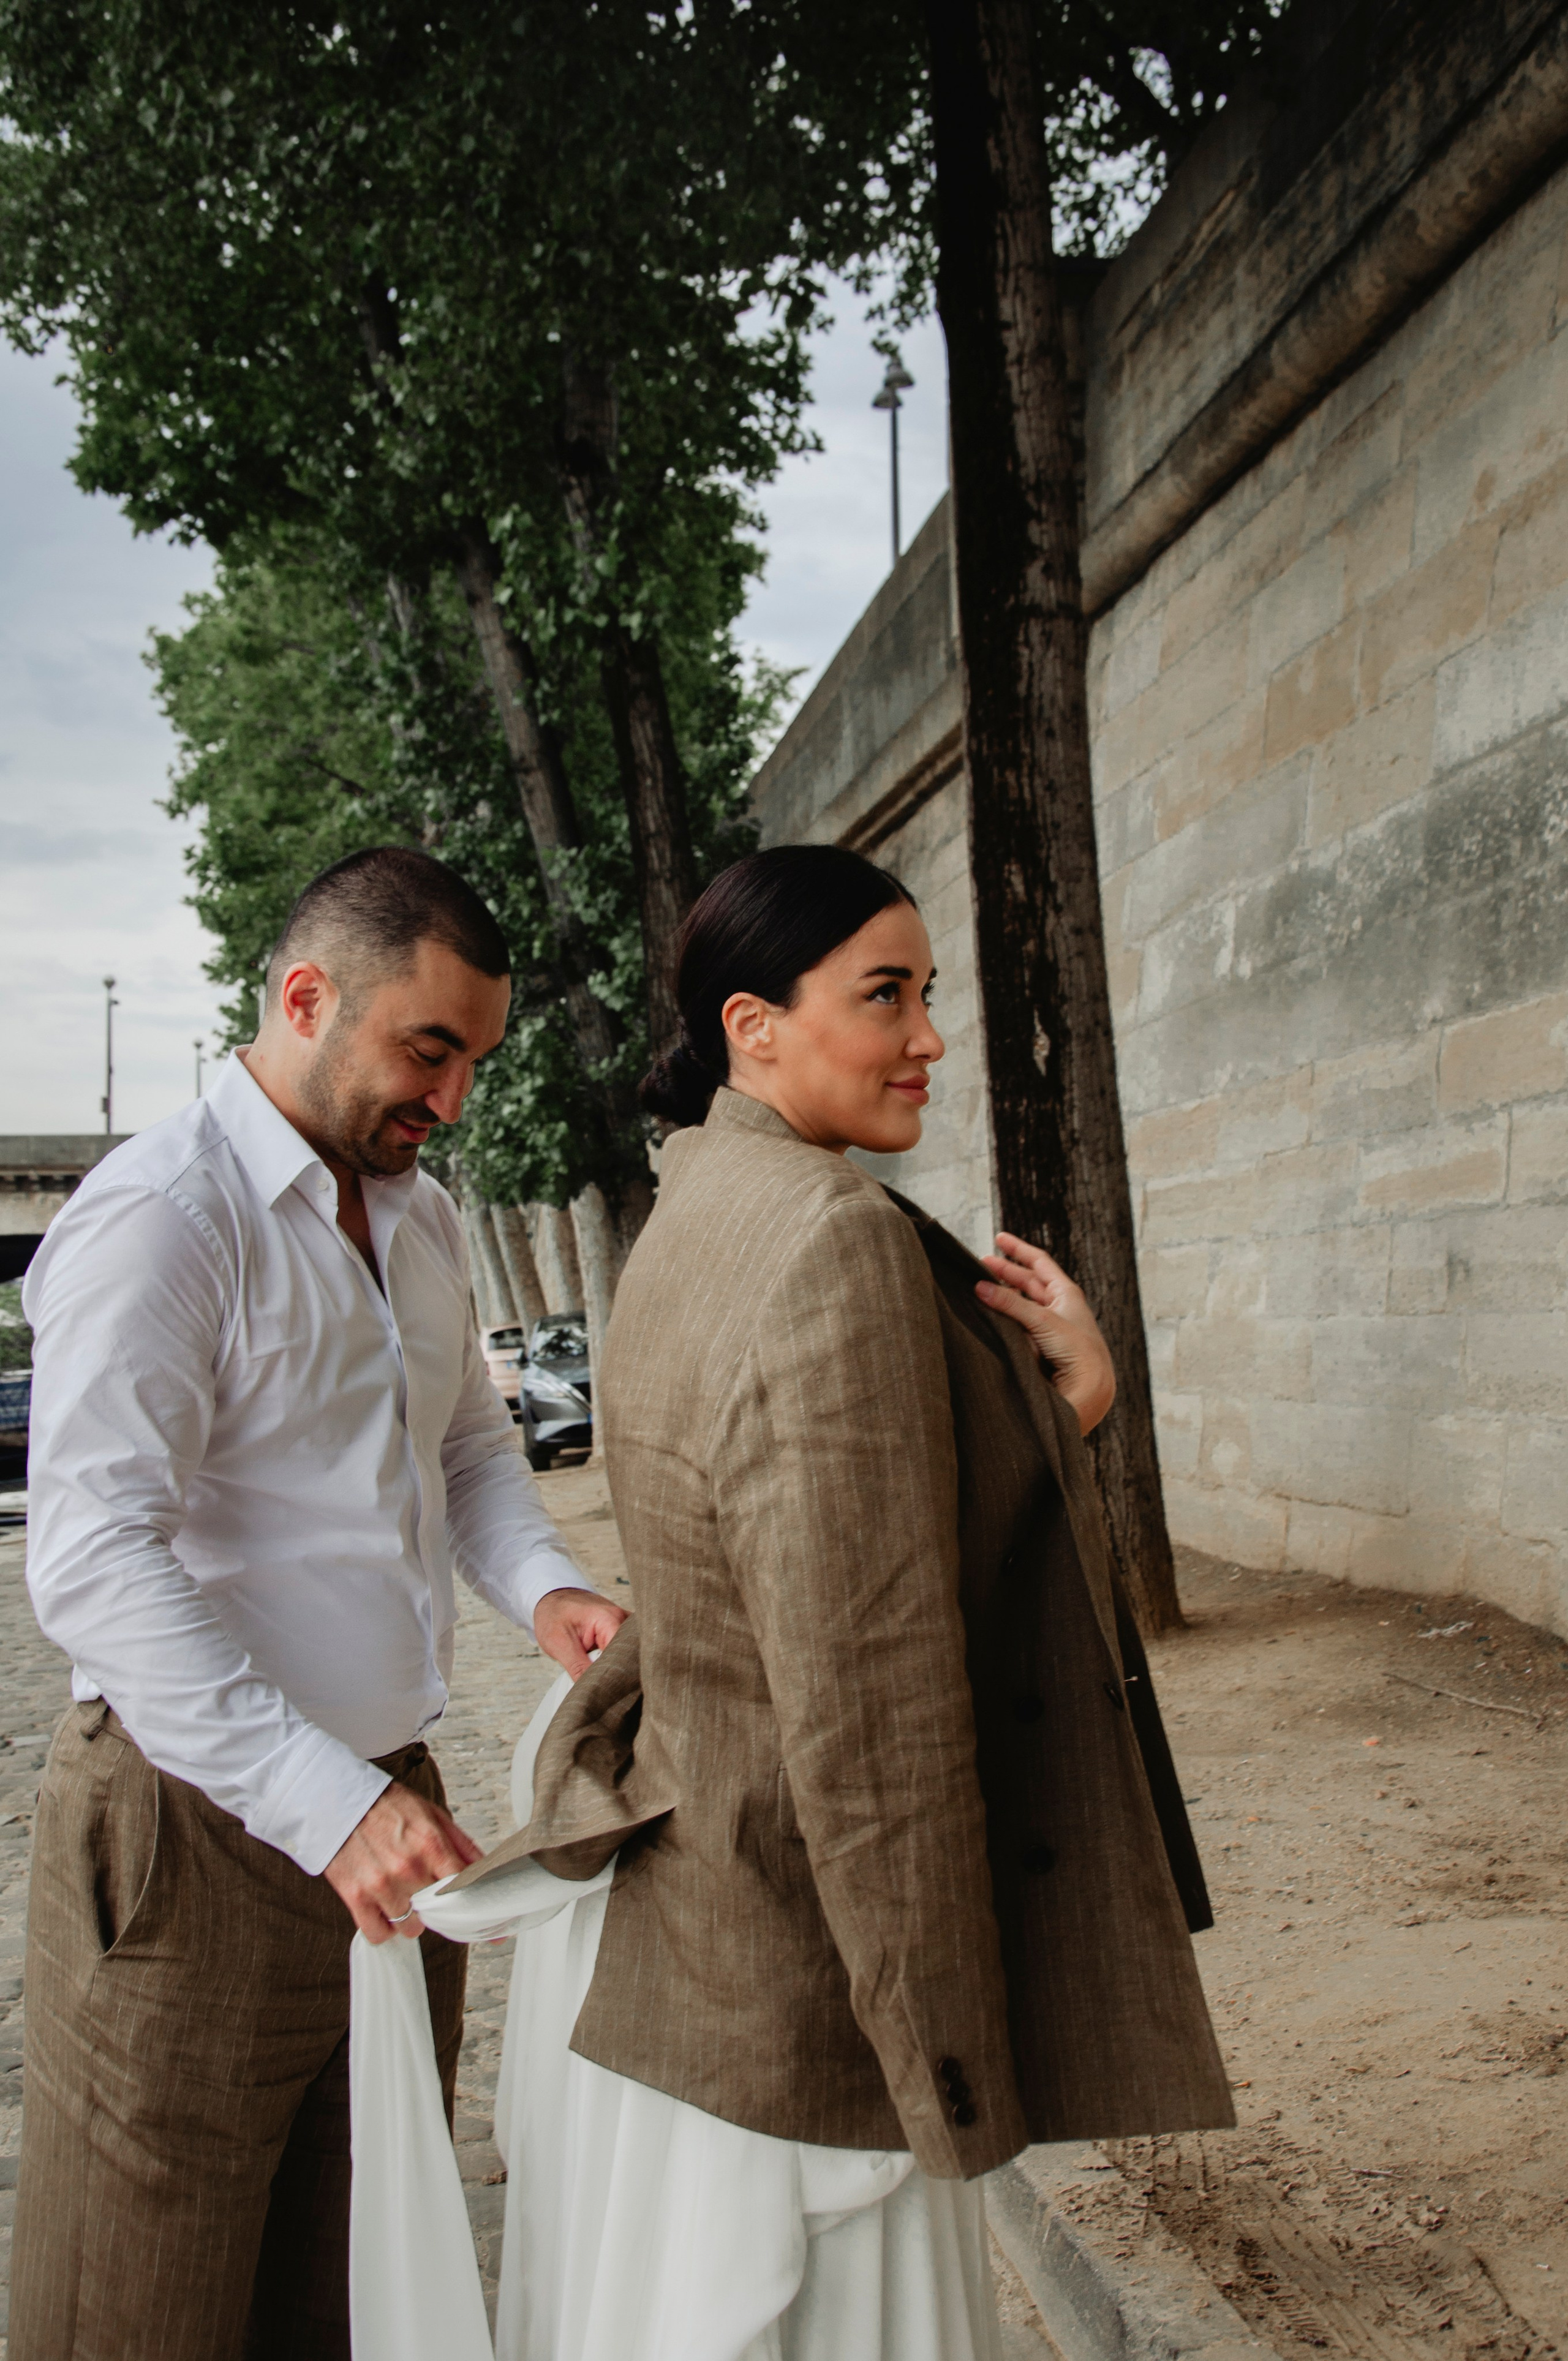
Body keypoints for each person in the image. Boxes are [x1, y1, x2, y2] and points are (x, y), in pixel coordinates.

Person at [475, 844, 1234, 2361]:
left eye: (928, 993)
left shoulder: (693, 1209)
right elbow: (869, 1692)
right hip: (805, 1989)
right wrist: (946, 2054)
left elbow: (829, 1543)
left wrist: (1058, 1410)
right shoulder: (830, 1240)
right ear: (753, 1023)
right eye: (884, 994)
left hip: (694, 1921)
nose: (928, 1038)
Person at [12, 846, 625, 2361]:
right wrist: (321, 1799)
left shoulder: (418, 1212)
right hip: (189, 1834)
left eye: (476, 1059)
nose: (456, 1098)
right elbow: (93, 1553)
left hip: (391, 1815)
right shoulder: (162, 1215)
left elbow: (469, 1446)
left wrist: (550, 1593)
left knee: (356, 2286)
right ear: (305, 995)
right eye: (430, 1049)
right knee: (141, 2310)